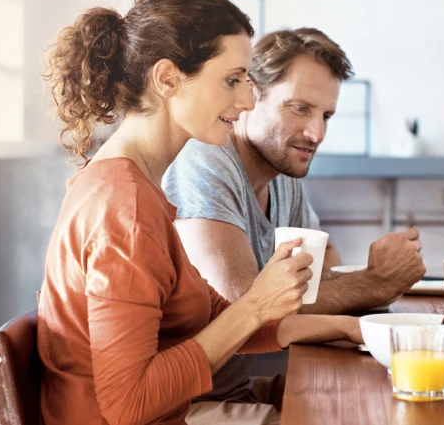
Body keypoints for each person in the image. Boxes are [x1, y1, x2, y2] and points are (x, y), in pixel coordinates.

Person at [37, 0, 362, 424]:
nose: (247, 102)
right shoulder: (125, 207)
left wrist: (354, 330)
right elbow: (128, 405)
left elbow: (225, 321)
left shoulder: (136, 186)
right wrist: (256, 305)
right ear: (168, 79)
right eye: (233, 80)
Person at [162, 28, 425, 408]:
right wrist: (374, 283)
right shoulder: (204, 161)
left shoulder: (281, 175)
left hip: (245, 386)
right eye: (299, 107)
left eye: (326, 115)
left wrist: (361, 288)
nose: (316, 132)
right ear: (250, 94)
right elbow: (246, 306)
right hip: (193, 404)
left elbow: (325, 260)